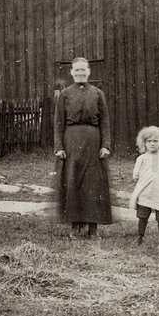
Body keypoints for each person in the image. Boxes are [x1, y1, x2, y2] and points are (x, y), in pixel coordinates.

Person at [54, 57, 112, 239]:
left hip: (93, 142)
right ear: (71, 72)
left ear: (89, 72)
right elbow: (58, 123)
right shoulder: (64, 94)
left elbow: (105, 122)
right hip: (71, 142)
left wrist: (106, 145)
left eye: (83, 70)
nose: (80, 73)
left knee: (93, 183)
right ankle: (75, 226)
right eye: (77, 70)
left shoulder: (98, 94)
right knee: (73, 181)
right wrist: (59, 147)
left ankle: (93, 227)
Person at [129, 126, 159, 244]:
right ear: (144, 143)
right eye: (149, 141)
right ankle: (140, 237)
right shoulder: (141, 159)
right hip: (145, 192)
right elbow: (136, 175)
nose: (152, 144)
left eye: (155, 141)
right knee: (143, 216)